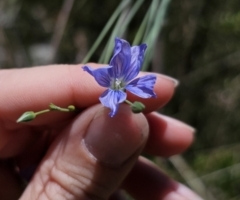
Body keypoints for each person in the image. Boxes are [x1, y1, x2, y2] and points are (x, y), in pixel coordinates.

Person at [0, 64, 202, 200]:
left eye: (121, 84)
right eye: (117, 83)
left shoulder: (120, 90)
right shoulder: (112, 88)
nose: (119, 84)